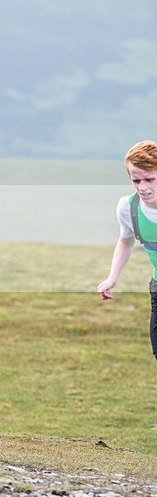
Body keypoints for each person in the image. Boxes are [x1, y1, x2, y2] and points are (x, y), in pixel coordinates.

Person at [97, 140, 157, 361]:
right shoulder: (128, 208)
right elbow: (125, 240)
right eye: (136, 180)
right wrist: (112, 277)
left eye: (150, 179)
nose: (143, 187)